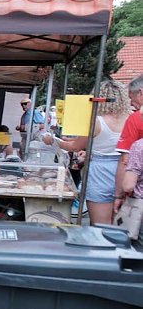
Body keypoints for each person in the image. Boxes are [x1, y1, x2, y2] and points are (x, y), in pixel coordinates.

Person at [43, 79, 130, 225]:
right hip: (125, 168)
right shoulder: (130, 119)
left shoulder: (96, 121)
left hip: (99, 170)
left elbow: (75, 146)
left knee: (99, 225)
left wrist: (54, 139)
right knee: (118, 226)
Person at [114, 74, 143, 213]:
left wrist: (118, 195)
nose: (131, 103)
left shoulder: (135, 118)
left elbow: (124, 160)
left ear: (141, 93)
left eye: (131, 98)